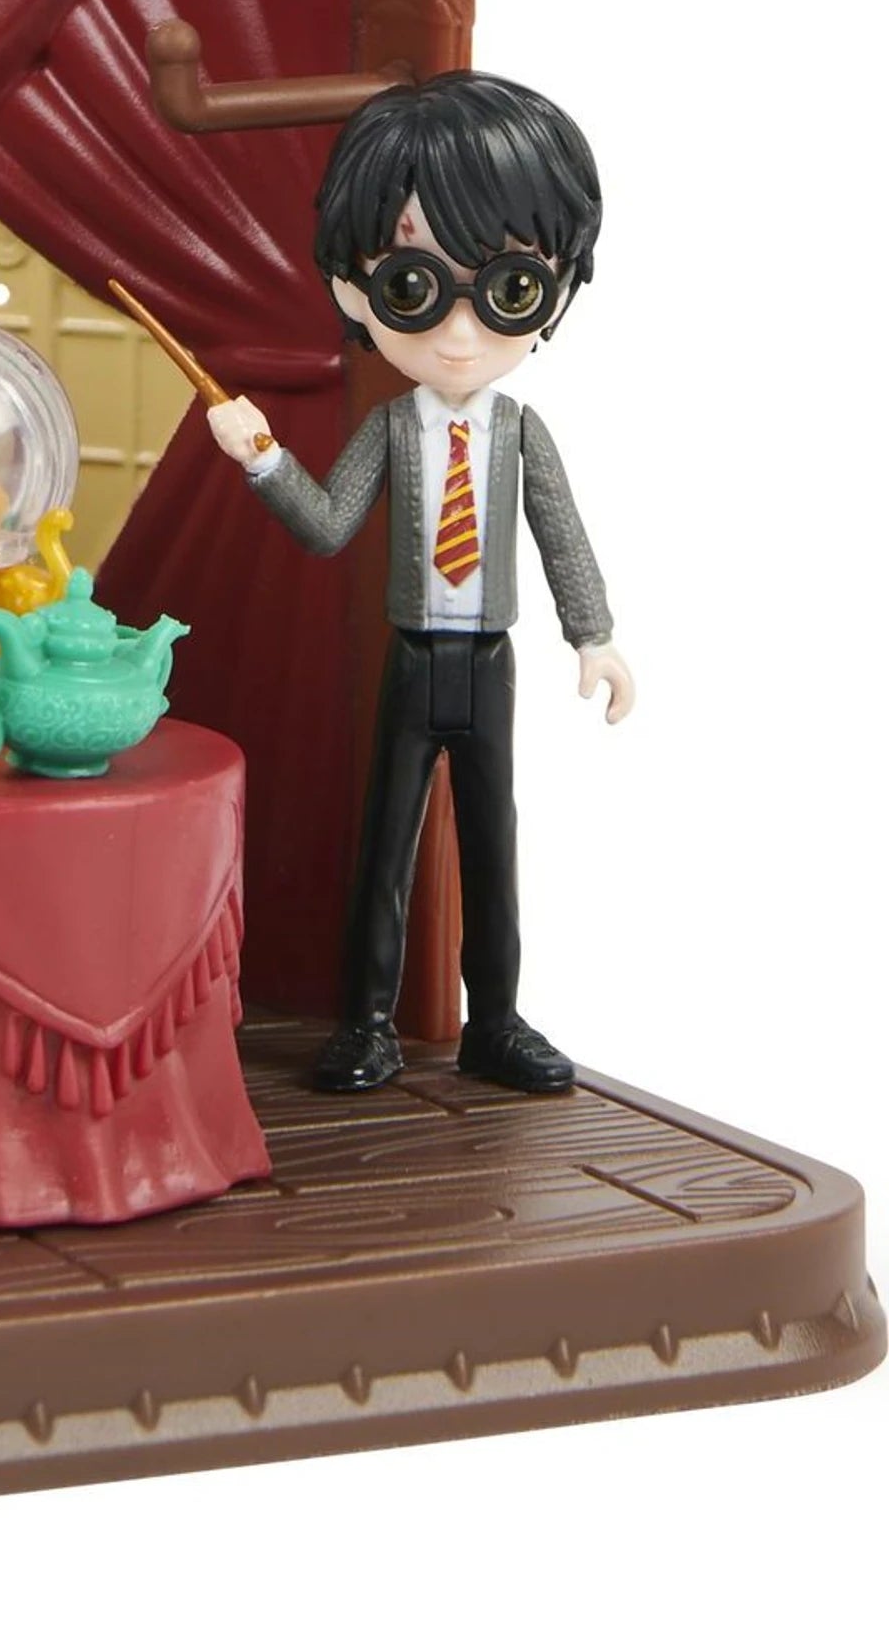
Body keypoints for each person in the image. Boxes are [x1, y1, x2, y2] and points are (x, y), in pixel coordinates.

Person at [207, 70, 634, 1094]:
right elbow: (324, 526)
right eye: (412, 286)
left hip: (487, 664)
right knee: (385, 846)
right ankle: (367, 1024)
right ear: (356, 291)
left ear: (556, 288)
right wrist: (261, 456)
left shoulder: (520, 433)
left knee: (493, 845)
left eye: (509, 291)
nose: (457, 333)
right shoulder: (391, 429)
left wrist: (594, 636)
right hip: (412, 658)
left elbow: (562, 536)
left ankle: (497, 1021)